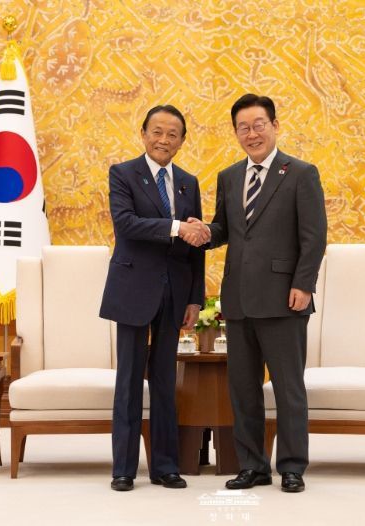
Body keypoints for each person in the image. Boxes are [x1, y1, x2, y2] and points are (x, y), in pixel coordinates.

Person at [190, 94, 326, 492]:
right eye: (243, 127)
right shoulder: (230, 176)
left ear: (274, 126)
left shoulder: (301, 173)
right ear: (236, 133)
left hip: (285, 299)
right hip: (239, 300)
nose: (251, 134)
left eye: (258, 125)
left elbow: (314, 236)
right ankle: (253, 466)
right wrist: (204, 231)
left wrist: (303, 284)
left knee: (288, 389)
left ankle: (292, 467)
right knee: (243, 390)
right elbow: (226, 229)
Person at [99, 105, 209, 491]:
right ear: (144, 134)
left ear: (182, 140)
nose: (164, 140)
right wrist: (177, 227)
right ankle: (124, 469)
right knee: (129, 380)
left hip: (175, 292)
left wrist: (195, 298)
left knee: (165, 381)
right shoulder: (123, 173)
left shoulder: (188, 183)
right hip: (133, 289)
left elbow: (195, 246)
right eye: (157, 132)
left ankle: (165, 466)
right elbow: (126, 224)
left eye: (172, 134)